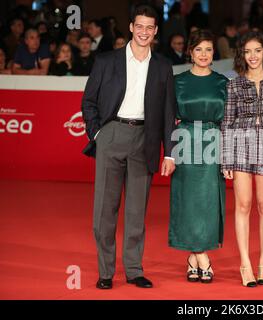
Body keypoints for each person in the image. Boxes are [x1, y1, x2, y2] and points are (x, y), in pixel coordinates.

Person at [81, 4, 176, 290]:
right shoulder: (107, 61)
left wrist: (169, 151)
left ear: (156, 31)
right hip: (111, 134)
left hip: (144, 139)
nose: (144, 32)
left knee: (136, 212)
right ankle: (106, 271)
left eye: (150, 27)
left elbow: (169, 111)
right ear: (131, 27)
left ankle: (134, 270)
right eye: (140, 26)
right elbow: (89, 101)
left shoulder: (162, 65)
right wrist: (98, 132)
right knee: (104, 211)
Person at [221, 31, 263, 287]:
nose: (253, 56)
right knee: (243, 205)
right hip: (239, 145)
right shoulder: (233, 84)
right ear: (242, 55)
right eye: (248, 52)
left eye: (257, 50)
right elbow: (226, 123)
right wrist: (225, 159)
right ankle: (245, 263)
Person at [169, 29, 228, 284]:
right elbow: (168, 118)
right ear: (190, 53)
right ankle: (201, 257)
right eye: (198, 49)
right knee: (187, 200)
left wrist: (229, 157)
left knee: (208, 201)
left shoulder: (222, 82)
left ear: (213, 53)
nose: (203, 54)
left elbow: (229, 121)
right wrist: (168, 154)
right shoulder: (177, 81)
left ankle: (195, 258)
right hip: (184, 139)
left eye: (208, 49)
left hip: (213, 139)